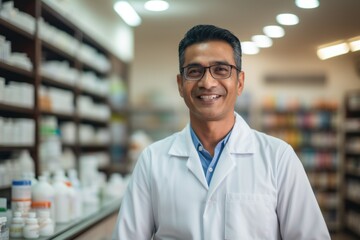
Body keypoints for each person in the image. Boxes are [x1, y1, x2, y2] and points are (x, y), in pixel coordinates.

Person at [113, 24, 330, 240]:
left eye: (221, 70)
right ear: (180, 85)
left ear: (240, 82)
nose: (207, 82)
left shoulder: (278, 158)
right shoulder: (152, 160)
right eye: (194, 71)